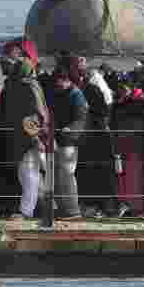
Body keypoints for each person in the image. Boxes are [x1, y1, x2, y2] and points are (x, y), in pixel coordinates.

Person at [3, 56, 49, 220]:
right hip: (24, 135)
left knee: (29, 173)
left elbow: (37, 114)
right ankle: (43, 206)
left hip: (30, 136)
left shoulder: (27, 87)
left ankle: (26, 211)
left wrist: (35, 137)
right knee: (27, 173)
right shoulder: (22, 86)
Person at [48, 69, 88, 220]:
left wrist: (70, 129)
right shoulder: (62, 93)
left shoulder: (76, 95)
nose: (57, 84)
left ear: (67, 80)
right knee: (60, 176)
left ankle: (72, 210)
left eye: (59, 80)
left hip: (69, 140)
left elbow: (81, 118)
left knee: (67, 174)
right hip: (59, 139)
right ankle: (63, 209)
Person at [111, 80, 144, 218]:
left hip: (135, 144)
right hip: (126, 144)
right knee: (126, 177)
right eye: (120, 89)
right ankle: (131, 206)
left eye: (124, 89)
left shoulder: (139, 102)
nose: (121, 91)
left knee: (136, 177)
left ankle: (139, 208)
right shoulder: (123, 103)